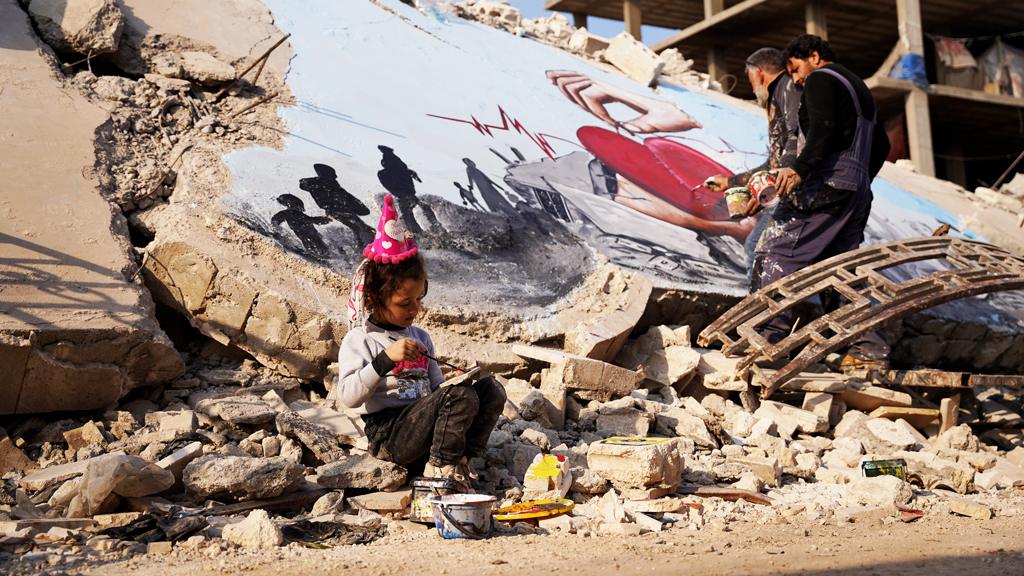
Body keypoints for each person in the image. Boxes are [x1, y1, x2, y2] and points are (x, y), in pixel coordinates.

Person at [331, 194, 506, 488]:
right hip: (390, 437)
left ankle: (462, 459)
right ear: (374, 299)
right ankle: (439, 471)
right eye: (404, 303)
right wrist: (386, 359)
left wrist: (460, 383)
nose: (414, 310)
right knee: (459, 397)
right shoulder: (360, 339)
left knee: (490, 390)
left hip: (427, 428)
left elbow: (437, 390)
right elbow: (348, 397)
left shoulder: (420, 336)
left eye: (418, 300)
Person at [757, 34, 892, 362]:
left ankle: (766, 339)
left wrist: (800, 169)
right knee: (841, 270)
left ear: (814, 56)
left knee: (778, 252)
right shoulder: (859, 88)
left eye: (795, 68)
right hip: (855, 191)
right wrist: (857, 178)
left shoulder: (821, 79)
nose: (796, 78)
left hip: (827, 184)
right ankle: (868, 349)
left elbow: (823, 128)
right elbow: (883, 145)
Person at [705, 47, 802, 289]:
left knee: (760, 249)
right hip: (792, 186)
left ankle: (765, 316)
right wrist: (732, 182)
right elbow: (776, 161)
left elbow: (793, 147)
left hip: (795, 189)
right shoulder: (783, 94)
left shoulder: (786, 92)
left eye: (750, 80)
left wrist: (770, 191)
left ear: (759, 74)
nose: (751, 88)